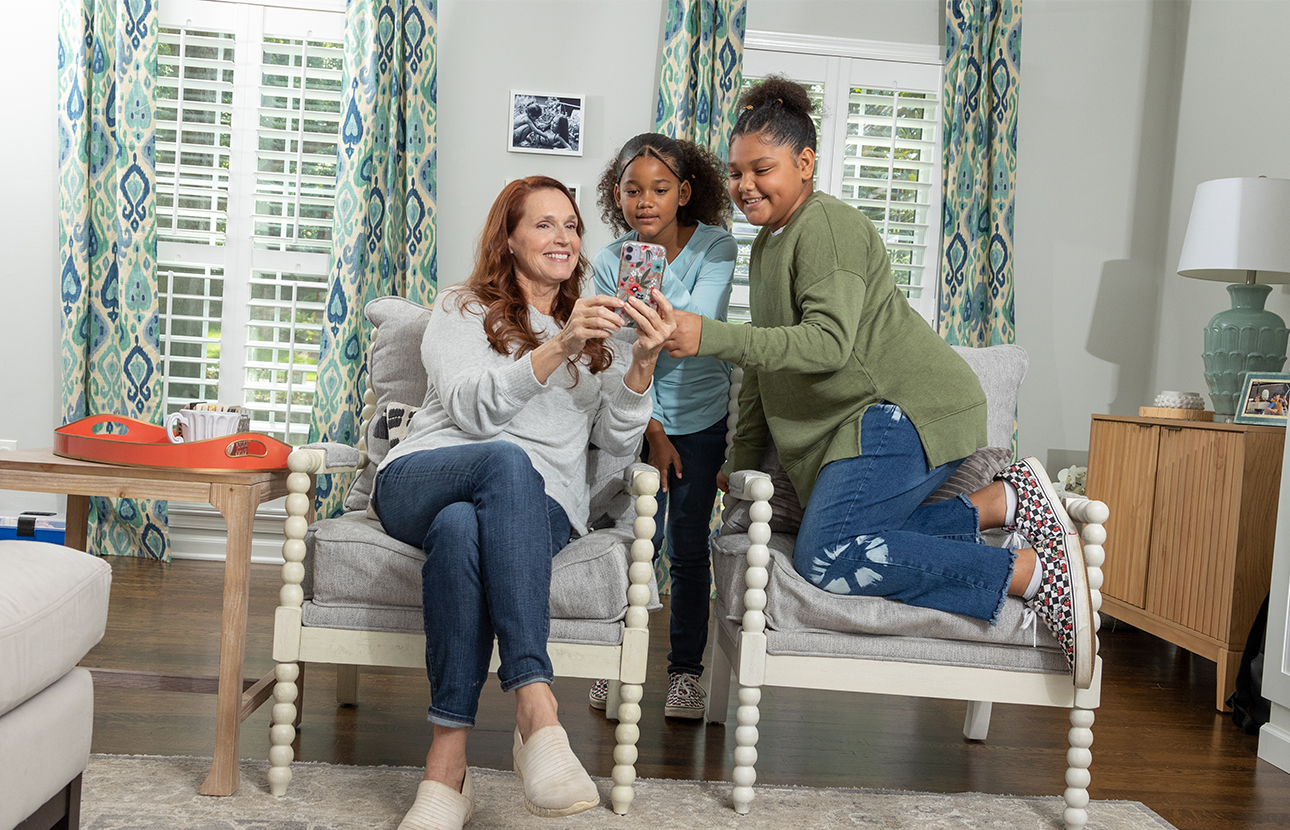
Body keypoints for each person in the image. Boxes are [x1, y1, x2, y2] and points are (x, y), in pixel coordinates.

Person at [662, 76, 1093, 686]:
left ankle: (1031, 573)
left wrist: (707, 334)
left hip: (903, 410)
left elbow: (827, 343)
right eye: (735, 173)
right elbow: (765, 363)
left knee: (826, 554)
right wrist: (742, 458)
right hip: (864, 423)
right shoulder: (764, 246)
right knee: (850, 539)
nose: (744, 186)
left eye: (762, 169)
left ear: (805, 163)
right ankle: (998, 503)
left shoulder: (826, 226)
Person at [373, 176, 676, 830]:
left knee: (461, 531)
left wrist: (642, 363)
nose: (564, 237)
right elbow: (471, 412)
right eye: (544, 224)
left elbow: (616, 449)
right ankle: (537, 708)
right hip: (426, 474)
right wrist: (556, 347)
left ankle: (445, 769)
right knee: (504, 461)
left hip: (537, 508)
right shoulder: (461, 309)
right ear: (508, 239)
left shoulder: (606, 330)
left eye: (571, 225)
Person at [587, 133, 737, 719]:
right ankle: (611, 663)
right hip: (631, 421)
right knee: (624, 544)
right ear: (615, 195)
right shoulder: (607, 261)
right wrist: (652, 431)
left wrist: (641, 307)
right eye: (631, 190)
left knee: (687, 547)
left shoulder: (717, 248)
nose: (644, 201)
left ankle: (684, 674)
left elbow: (694, 333)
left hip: (700, 421)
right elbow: (612, 357)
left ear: (685, 192)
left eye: (659, 188)